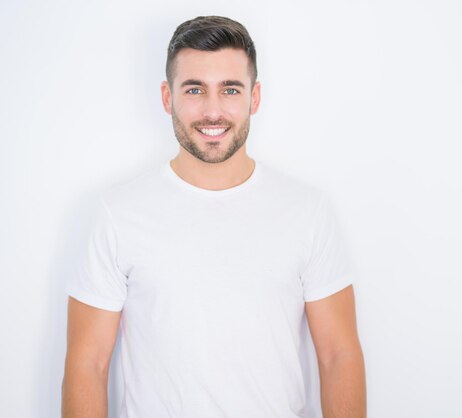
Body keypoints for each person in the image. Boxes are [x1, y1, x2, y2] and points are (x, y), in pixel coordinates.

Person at [61, 16, 366, 418]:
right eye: (194, 89)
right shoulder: (117, 214)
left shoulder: (308, 212)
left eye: (230, 89)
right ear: (167, 98)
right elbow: (88, 364)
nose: (212, 111)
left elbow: (338, 356)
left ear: (254, 98)